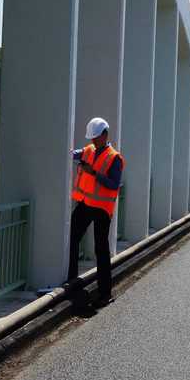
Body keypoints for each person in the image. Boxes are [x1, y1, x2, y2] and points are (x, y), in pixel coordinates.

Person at [66, 116, 124, 314]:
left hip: (102, 209)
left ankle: (105, 293)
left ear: (105, 135)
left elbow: (113, 184)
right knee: (72, 237)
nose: (93, 141)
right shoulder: (89, 150)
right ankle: (72, 279)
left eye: (96, 138)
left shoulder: (114, 157)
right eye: (91, 138)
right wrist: (68, 152)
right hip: (85, 203)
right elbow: (75, 154)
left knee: (101, 249)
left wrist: (93, 173)